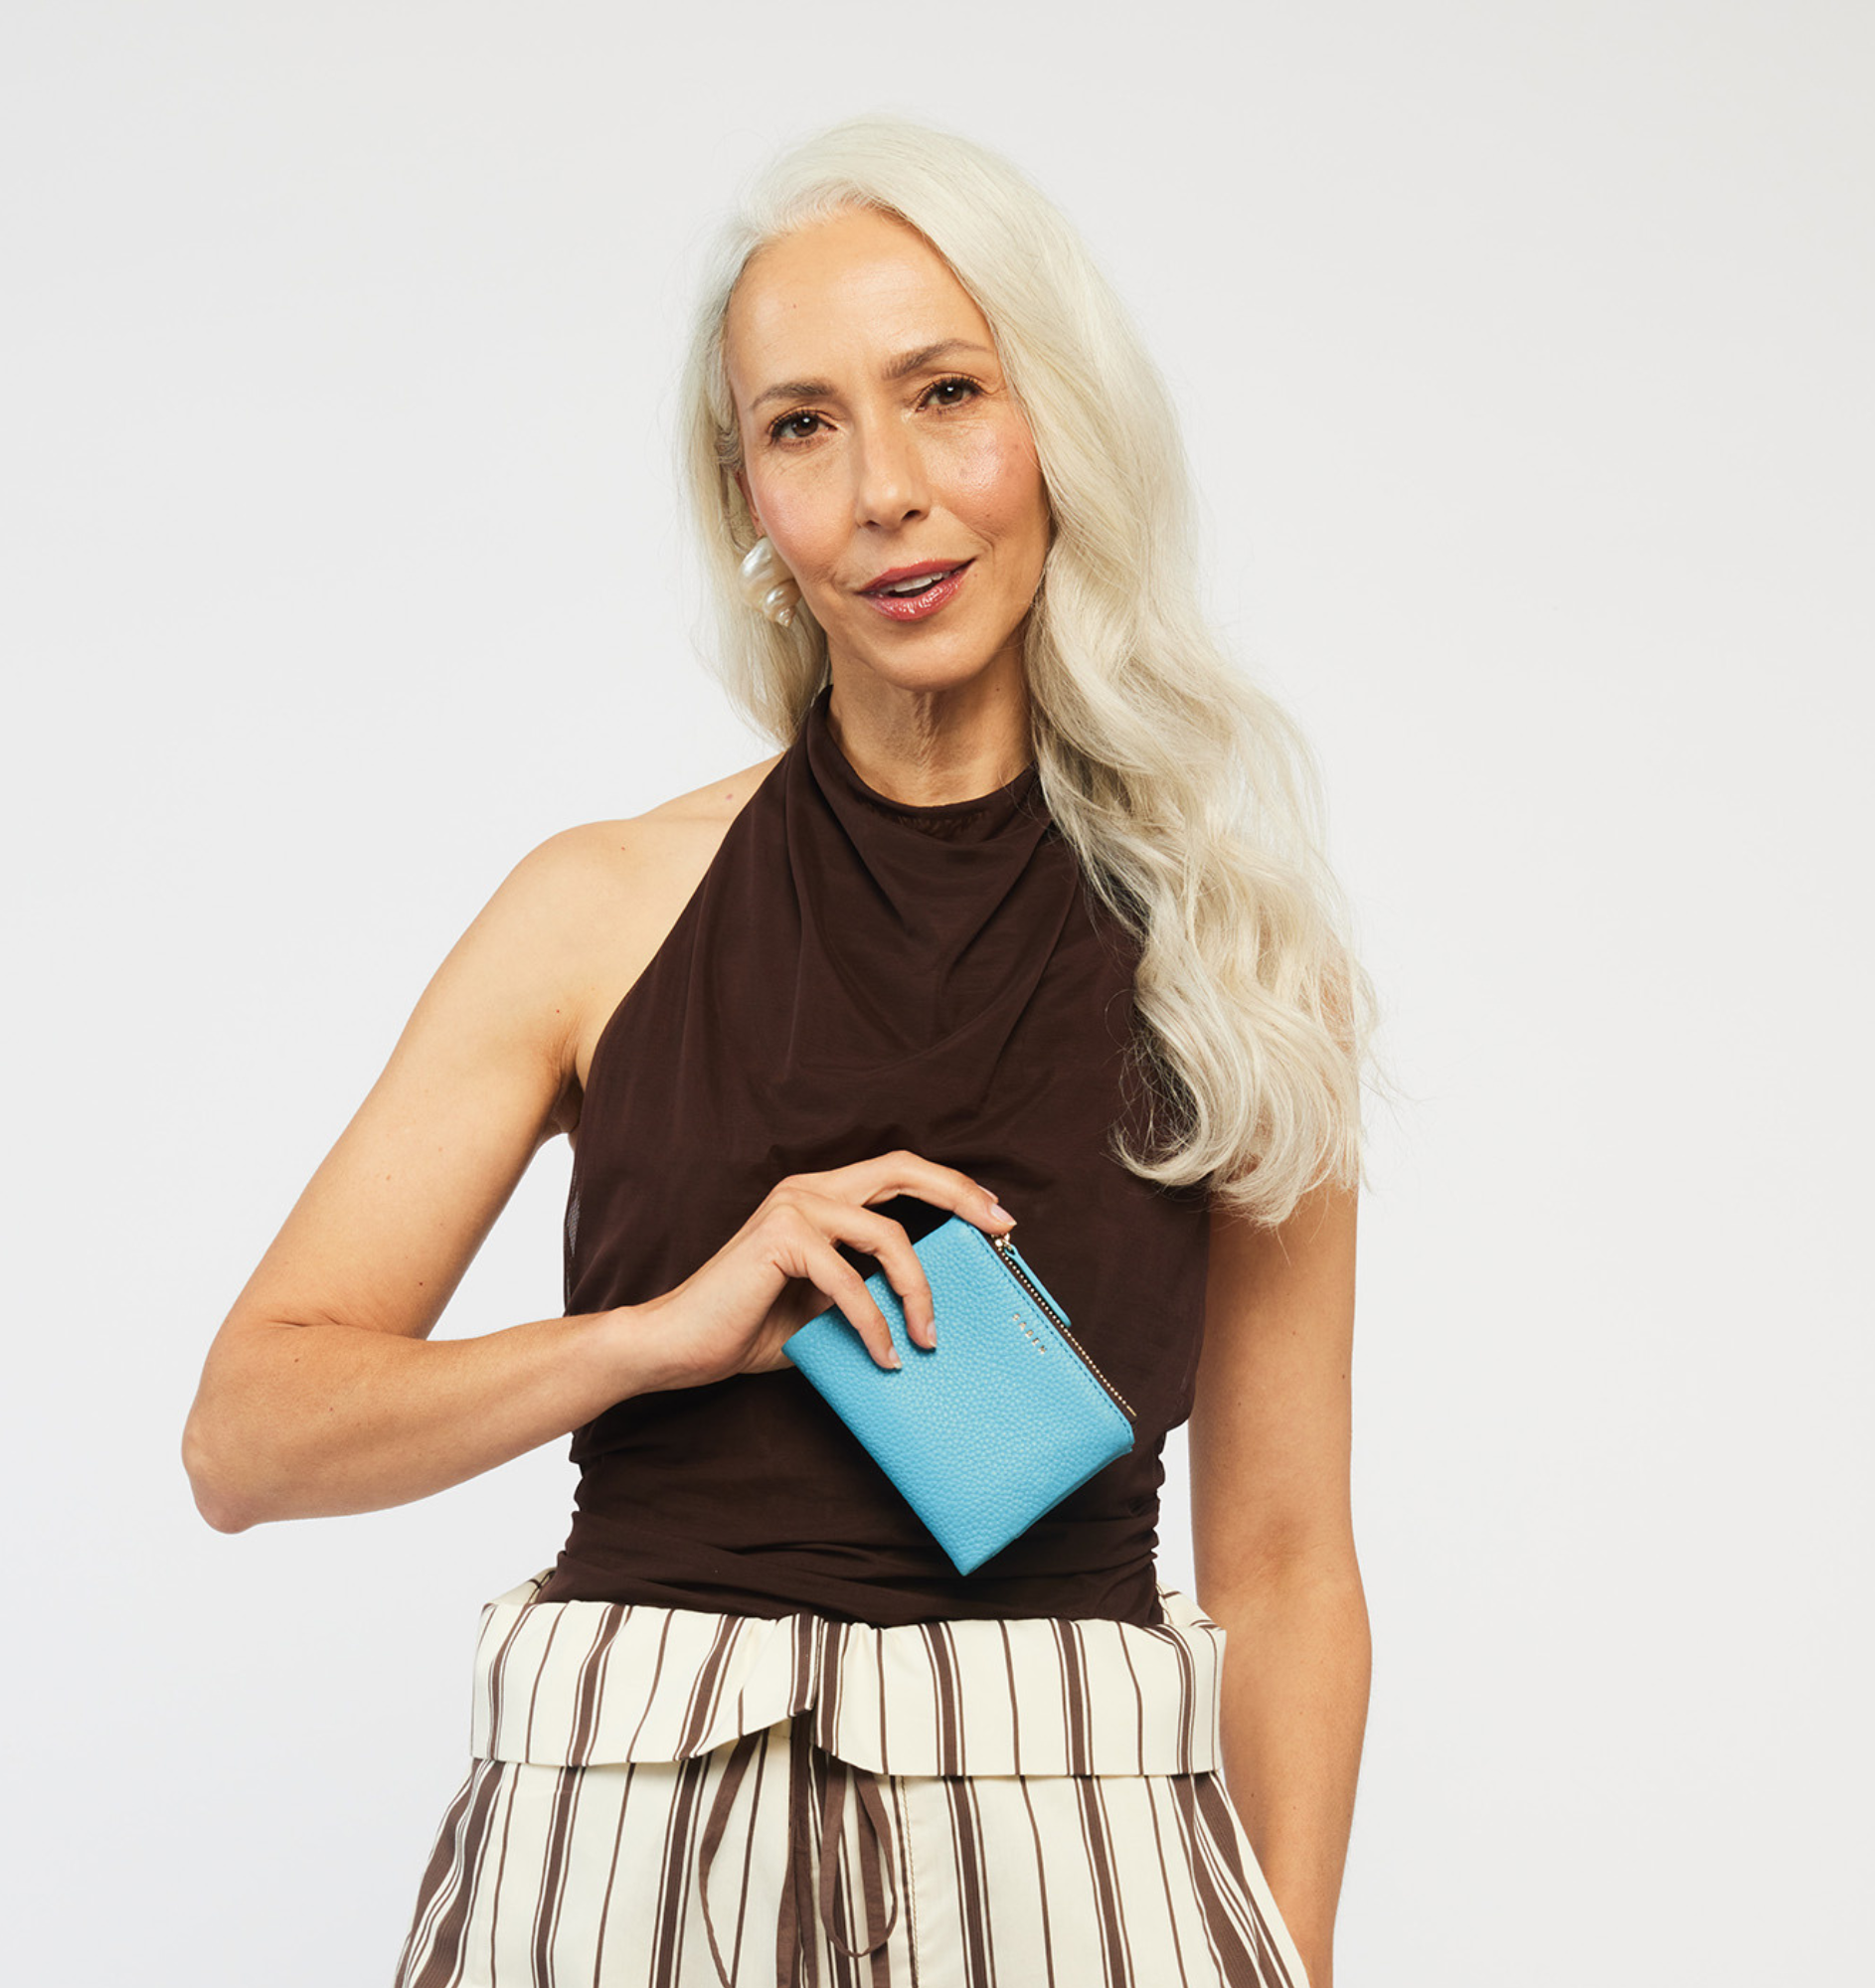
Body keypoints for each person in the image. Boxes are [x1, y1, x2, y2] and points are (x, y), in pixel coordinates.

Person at [184, 113, 1377, 1988]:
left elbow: (1288, 1556)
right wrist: (656, 1335)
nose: (887, 490)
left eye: (947, 393)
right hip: (623, 1843)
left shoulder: (1237, 954)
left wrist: (1290, 1958)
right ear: (747, 495)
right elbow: (247, 1440)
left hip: (1077, 1850)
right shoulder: (597, 909)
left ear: (1059, 424)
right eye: (803, 425)